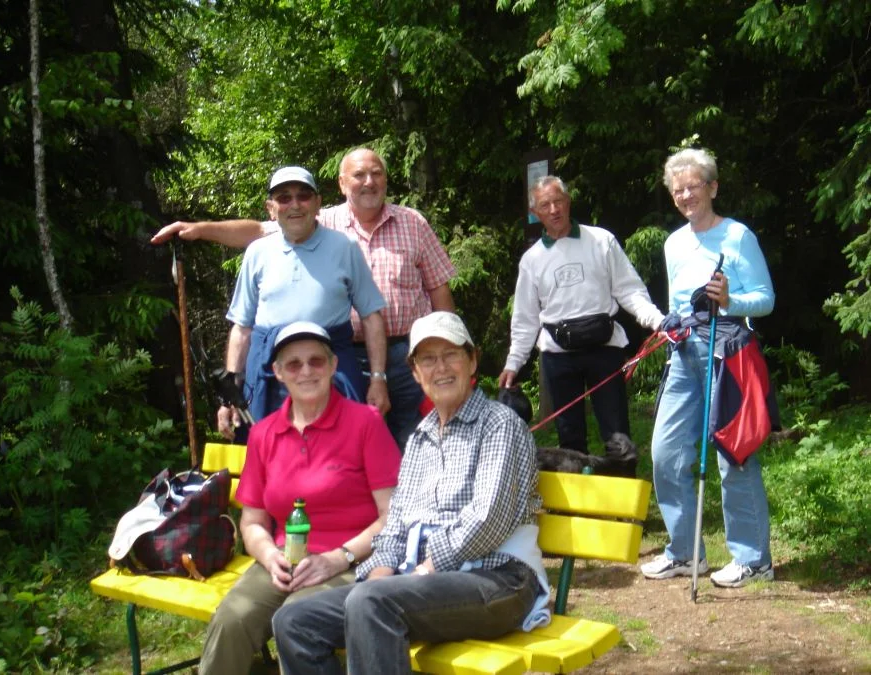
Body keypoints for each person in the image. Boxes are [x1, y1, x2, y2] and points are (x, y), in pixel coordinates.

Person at [270, 311, 550, 675]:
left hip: (500, 580)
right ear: (415, 372)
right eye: (428, 359)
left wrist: (425, 569)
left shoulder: (500, 425)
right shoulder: (420, 437)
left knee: (373, 603)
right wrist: (382, 571)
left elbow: (487, 520)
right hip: (424, 584)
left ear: (472, 360)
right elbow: (397, 523)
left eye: (451, 354)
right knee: (294, 619)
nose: (441, 368)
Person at [153, 148, 456, 449]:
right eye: (359, 175)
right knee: (284, 449)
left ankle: (418, 495)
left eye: (376, 174)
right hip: (307, 362)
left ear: (316, 203)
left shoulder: (404, 225)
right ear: (341, 183)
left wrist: (447, 349)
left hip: (400, 356)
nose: (368, 182)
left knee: (410, 439)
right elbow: (256, 239)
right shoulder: (287, 236)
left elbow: (435, 289)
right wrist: (196, 229)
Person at [199, 321, 401, 675]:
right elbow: (252, 521)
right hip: (282, 561)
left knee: (298, 618)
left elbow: (393, 515)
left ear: (333, 365)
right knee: (231, 621)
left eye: (316, 361)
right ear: (277, 373)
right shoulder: (264, 434)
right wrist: (268, 555)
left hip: (352, 562)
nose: (306, 371)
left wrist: (340, 557)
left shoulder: (365, 423)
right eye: (293, 364)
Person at [641, 148, 775, 588]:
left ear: (712, 188)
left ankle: (753, 558)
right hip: (683, 354)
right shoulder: (673, 243)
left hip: (728, 351)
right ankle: (684, 553)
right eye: (677, 190)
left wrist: (730, 301)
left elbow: (766, 298)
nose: (684, 196)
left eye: (692, 187)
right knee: (665, 451)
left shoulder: (738, 236)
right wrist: (670, 325)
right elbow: (677, 303)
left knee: (733, 454)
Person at [498, 175, 665, 452]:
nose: (554, 210)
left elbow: (629, 290)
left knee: (617, 434)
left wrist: (658, 321)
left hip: (605, 348)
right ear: (534, 212)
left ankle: (620, 491)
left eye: (558, 201)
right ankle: (577, 493)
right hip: (558, 356)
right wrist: (514, 363)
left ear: (568, 201)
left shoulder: (601, 240)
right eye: (545, 205)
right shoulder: (532, 260)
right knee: (569, 437)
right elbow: (526, 318)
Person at [220, 166, 389, 437]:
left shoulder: (345, 248)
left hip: (332, 370)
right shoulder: (257, 253)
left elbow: (371, 316)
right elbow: (242, 327)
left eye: (303, 196)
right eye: (284, 198)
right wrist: (229, 394)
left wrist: (379, 379)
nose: (295, 205)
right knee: (269, 456)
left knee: (342, 454)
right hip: (268, 374)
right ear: (271, 209)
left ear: (318, 204)